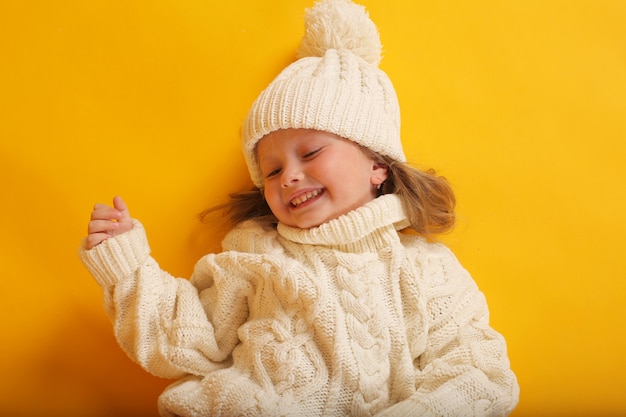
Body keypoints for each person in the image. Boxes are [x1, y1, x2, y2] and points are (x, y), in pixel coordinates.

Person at [79, 0, 520, 415]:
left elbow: (477, 372)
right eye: (270, 171)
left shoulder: (429, 270)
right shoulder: (255, 254)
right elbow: (184, 341)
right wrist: (128, 268)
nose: (288, 176)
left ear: (378, 165)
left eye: (310, 154)